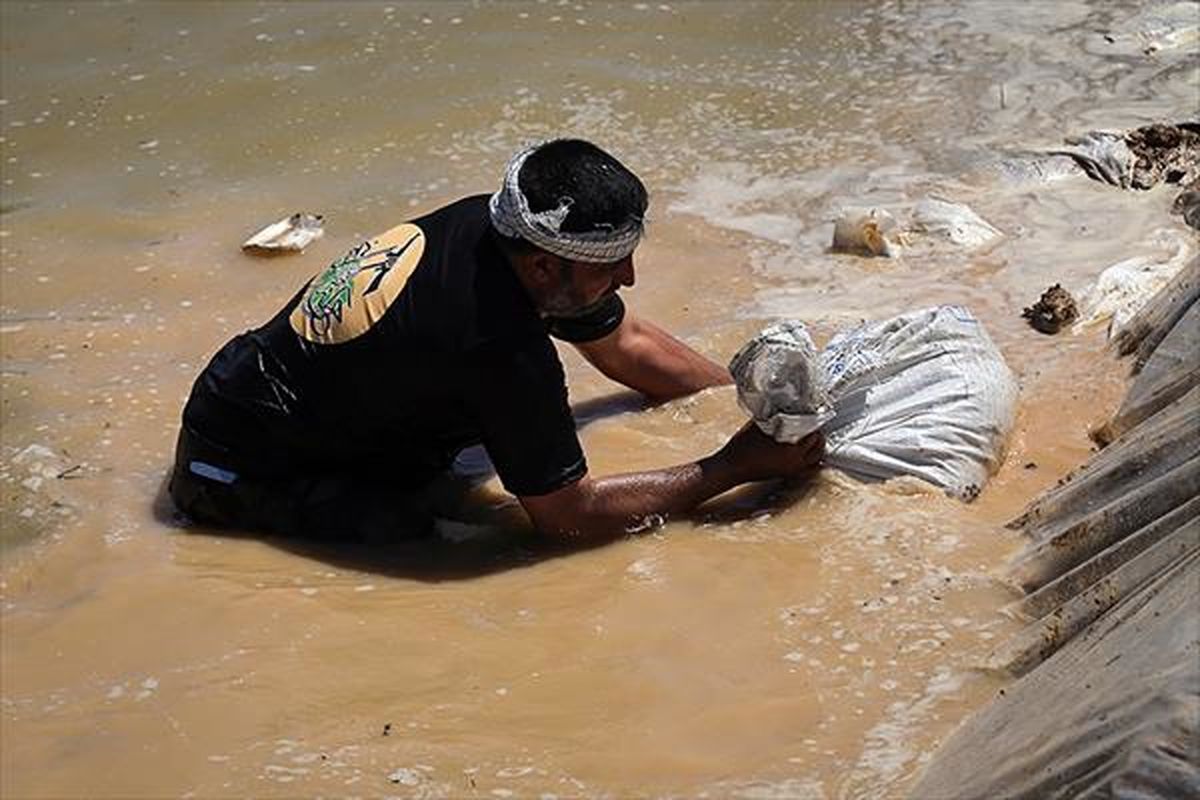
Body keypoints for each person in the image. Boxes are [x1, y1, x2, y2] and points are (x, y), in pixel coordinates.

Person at [169, 139, 822, 543]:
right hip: (234, 475)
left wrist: (735, 405)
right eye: (610, 265)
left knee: (462, 453)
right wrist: (733, 467)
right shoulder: (494, 342)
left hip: (248, 393)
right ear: (543, 267)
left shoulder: (501, 229)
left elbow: (626, 342)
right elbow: (569, 517)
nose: (628, 276)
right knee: (433, 536)